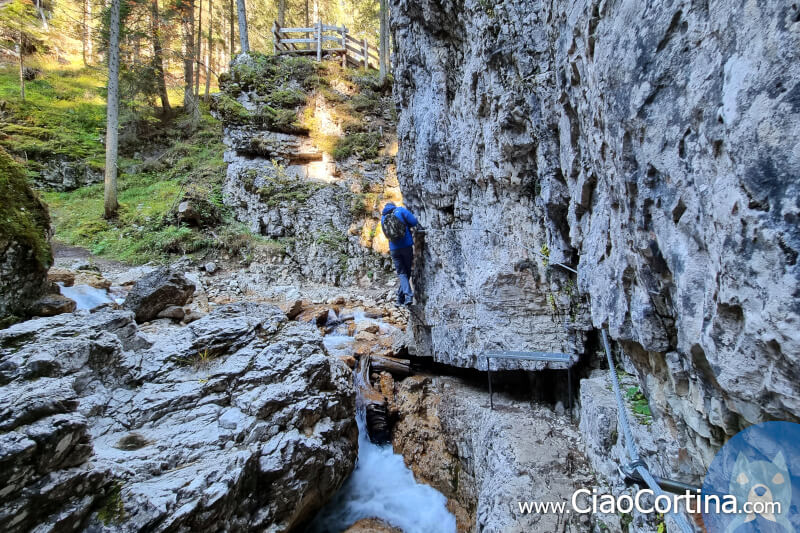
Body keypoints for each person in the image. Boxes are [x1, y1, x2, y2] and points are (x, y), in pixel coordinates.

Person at [381, 202, 418, 305]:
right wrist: (407, 226)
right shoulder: (400, 210)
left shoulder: (383, 217)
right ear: (394, 205)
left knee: (402, 273)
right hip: (406, 246)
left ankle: (400, 299)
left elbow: (386, 233)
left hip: (394, 249)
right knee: (408, 272)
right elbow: (414, 221)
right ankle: (408, 297)